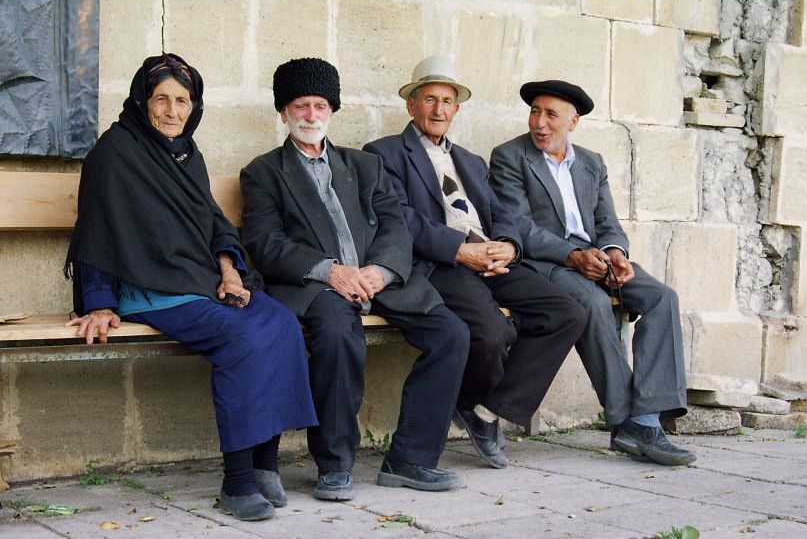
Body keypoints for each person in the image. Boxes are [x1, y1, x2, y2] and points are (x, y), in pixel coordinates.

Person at [64, 54, 317, 521]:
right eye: (161, 99)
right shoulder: (114, 152)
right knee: (240, 337)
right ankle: (238, 482)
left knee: (280, 322)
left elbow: (211, 221)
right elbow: (96, 230)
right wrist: (98, 303)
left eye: (182, 100)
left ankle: (265, 464)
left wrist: (229, 270)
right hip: (148, 289)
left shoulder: (187, 154)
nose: (172, 110)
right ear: (143, 100)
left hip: (199, 280)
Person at [239, 58, 469, 501]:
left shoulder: (365, 166)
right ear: (283, 113)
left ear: (332, 110)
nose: (311, 115)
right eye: (301, 106)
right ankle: (335, 464)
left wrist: (379, 271)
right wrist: (331, 271)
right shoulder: (264, 172)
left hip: (379, 279)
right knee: (340, 337)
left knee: (452, 334)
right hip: (316, 286)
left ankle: (410, 459)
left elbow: (394, 226)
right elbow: (266, 244)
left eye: (320, 105)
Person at [363, 56, 587, 469]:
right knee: (489, 331)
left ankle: (487, 411)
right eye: (429, 99)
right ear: (411, 105)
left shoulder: (471, 160)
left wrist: (508, 246)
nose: (438, 109)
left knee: (568, 312)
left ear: (456, 109)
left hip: (491, 258)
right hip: (443, 263)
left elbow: (500, 213)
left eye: (447, 101)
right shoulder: (384, 153)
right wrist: (459, 249)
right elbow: (397, 217)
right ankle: (470, 402)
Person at [489, 80, 695, 466]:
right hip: (547, 262)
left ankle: (649, 415)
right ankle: (629, 424)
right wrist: (573, 256)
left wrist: (615, 252)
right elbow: (519, 226)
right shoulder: (509, 157)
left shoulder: (591, 162)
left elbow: (607, 221)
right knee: (594, 303)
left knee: (661, 297)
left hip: (596, 258)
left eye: (551, 114)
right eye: (535, 111)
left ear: (574, 121)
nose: (540, 122)